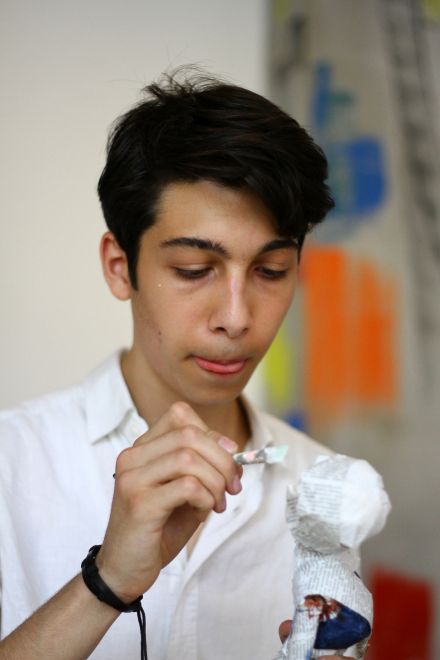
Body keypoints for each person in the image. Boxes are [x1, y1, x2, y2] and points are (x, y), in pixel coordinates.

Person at [0, 70, 355, 659]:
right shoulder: (12, 464)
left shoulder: (324, 489)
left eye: (270, 271)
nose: (236, 318)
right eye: (194, 270)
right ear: (120, 267)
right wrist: (107, 582)